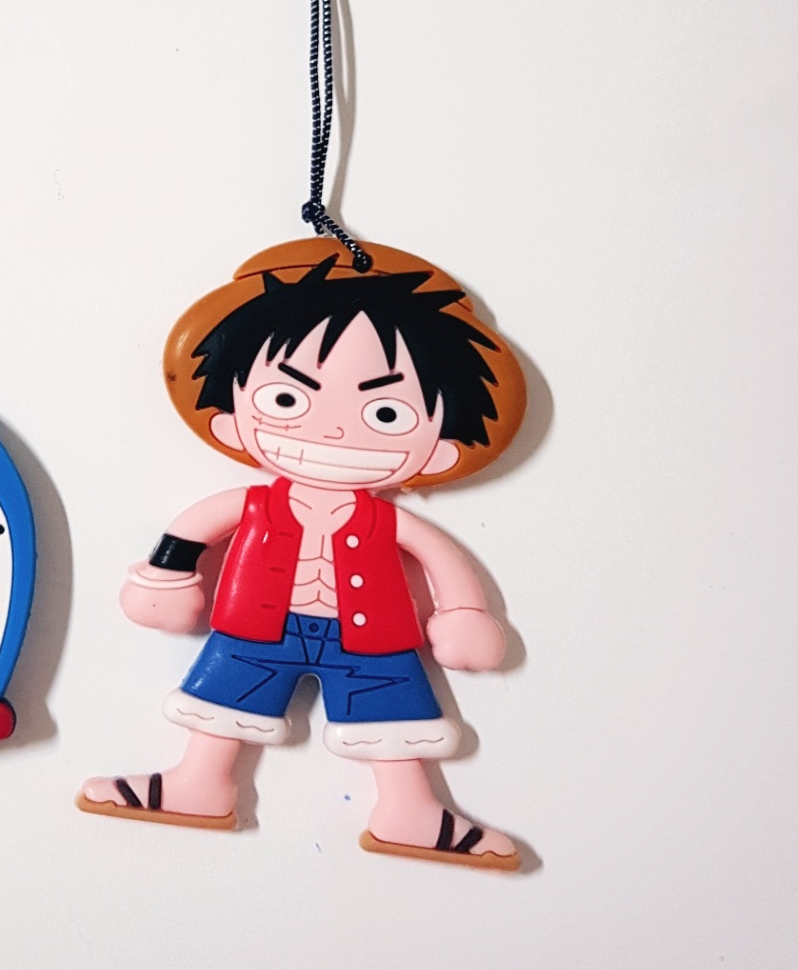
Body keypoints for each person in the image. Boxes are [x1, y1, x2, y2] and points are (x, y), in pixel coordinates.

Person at [77, 247, 525, 871]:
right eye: (287, 400)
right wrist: (166, 577)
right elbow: (191, 532)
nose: (335, 431)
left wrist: (464, 614)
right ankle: (198, 785)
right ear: (229, 419)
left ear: (441, 448)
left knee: (392, 717)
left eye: (386, 414)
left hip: (372, 637)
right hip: (255, 627)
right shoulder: (252, 503)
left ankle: (412, 810)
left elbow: (439, 557)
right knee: (224, 699)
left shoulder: (390, 519)